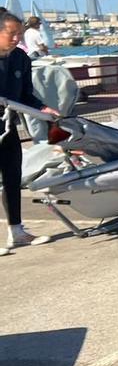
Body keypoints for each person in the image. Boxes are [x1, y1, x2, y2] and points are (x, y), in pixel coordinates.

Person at [0, 13, 57, 254]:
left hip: (8, 127)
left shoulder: (21, 58)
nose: (16, 39)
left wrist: (43, 109)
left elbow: (25, 94)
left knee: (12, 179)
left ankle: (17, 231)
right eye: (10, 34)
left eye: (19, 34)